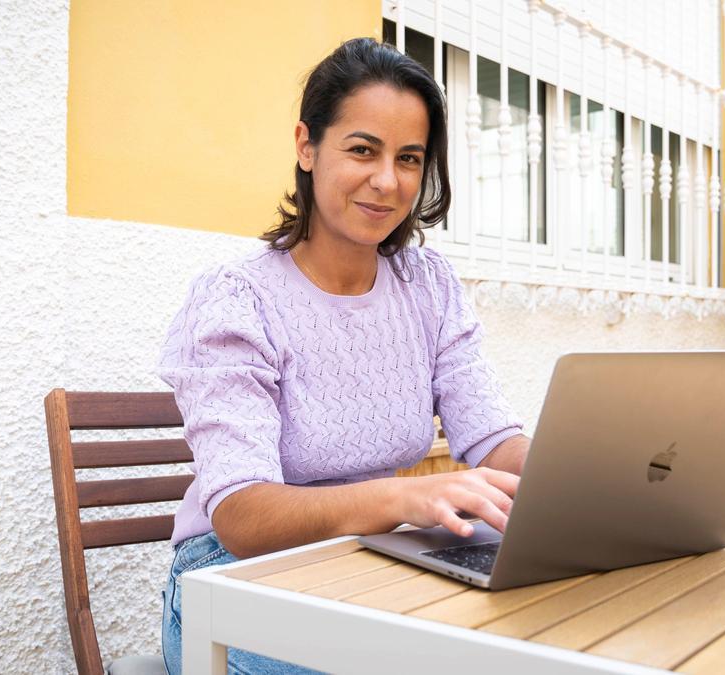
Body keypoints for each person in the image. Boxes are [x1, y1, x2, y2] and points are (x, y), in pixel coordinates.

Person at [156, 37, 530, 674]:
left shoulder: (428, 286)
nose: (387, 181)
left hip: (376, 560)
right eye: (363, 149)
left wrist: (587, 477)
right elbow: (245, 516)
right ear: (307, 146)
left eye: (409, 158)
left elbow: (491, 439)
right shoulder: (237, 298)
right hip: (236, 582)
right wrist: (403, 499)